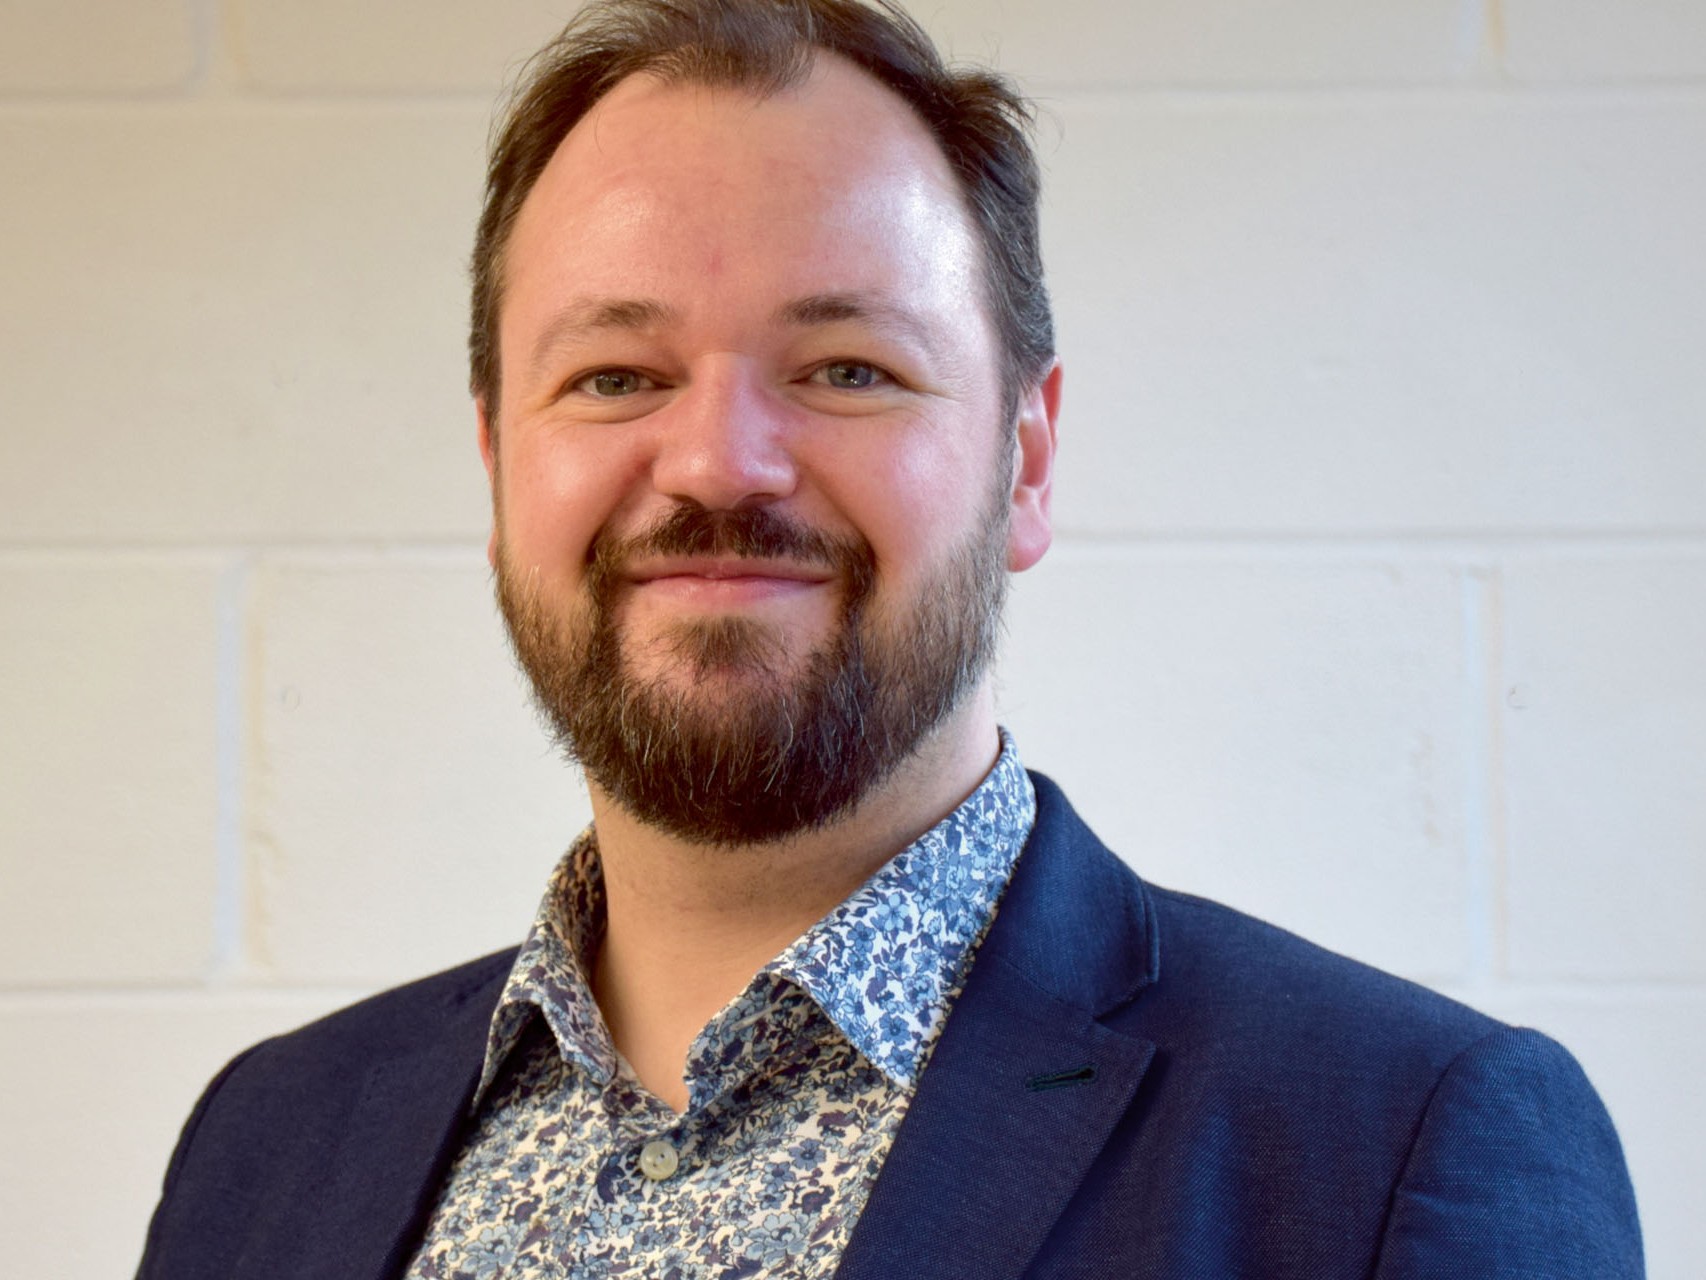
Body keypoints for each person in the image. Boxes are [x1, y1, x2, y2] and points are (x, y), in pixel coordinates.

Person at [136, 1, 1643, 1276]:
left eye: (847, 368)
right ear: (496, 464)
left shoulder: (1396, 1142)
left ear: (1025, 462)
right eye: (613, 377)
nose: (717, 465)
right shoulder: (266, 1144)